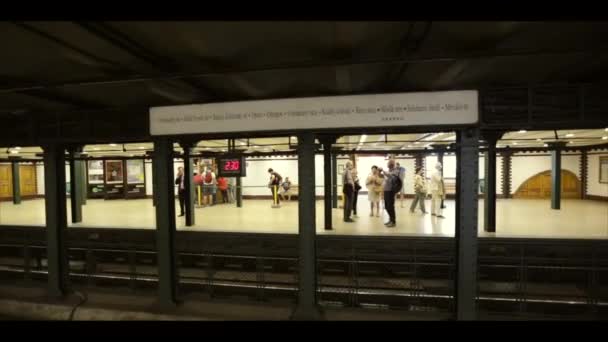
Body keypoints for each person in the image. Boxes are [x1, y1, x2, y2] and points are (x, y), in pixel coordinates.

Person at [381, 159, 401, 227]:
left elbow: (392, 177)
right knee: (386, 206)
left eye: (388, 163)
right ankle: (390, 219)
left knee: (390, 206)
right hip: (386, 190)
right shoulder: (389, 171)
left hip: (390, 191)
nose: (387, 164)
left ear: (391, 164)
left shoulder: (396, 171)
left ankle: (393, 221)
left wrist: (384, 171)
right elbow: (386, 179)